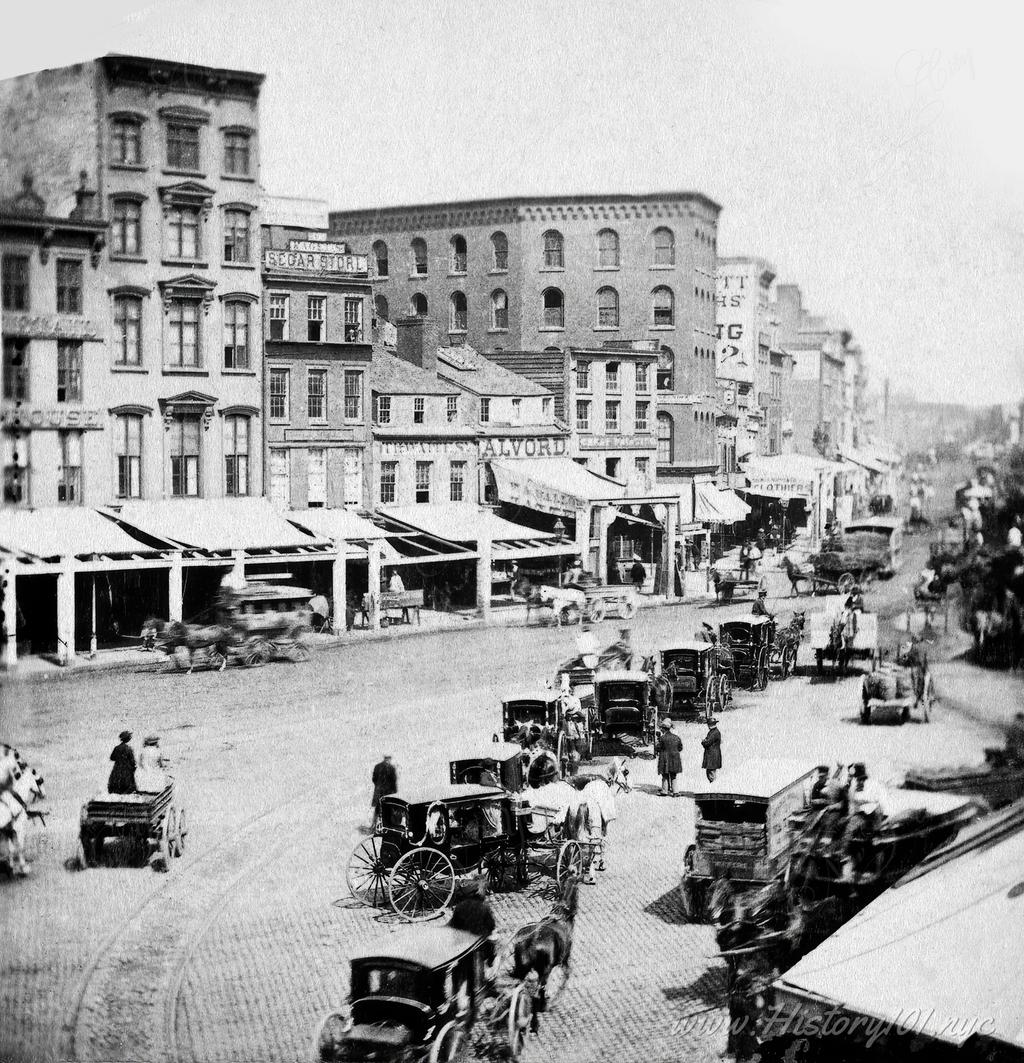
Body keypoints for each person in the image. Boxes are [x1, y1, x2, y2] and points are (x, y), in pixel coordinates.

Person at [655, 718, 683, 796]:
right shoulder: (676, 737)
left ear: (663, 729)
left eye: (661, 728)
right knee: (673, 775)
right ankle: (675, 792)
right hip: (675, 759)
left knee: (665, 775)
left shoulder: (662, 738)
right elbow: (680, 748)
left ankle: (664, 790)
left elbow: (658, 748)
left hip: (665, 759)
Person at [369, 754, 397, 828]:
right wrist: (394, 792)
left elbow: (374, 779)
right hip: (387, 792)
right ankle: (386, 826)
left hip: (379, 791)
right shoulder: (391, 768)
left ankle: (373, 825)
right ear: (389, 759)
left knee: (377, 809)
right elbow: (393, 782)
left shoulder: (377, 766)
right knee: (387, 809)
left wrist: (378, 786)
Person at [701, 717, 722, 782]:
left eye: (708, 724)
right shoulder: (714, 731)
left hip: (712, 755)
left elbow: (707, 742)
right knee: (710, 771)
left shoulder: (714, 732)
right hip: (712, 755)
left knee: (711, 773)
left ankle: (713, 786)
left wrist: (703, 742)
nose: (707, 726)